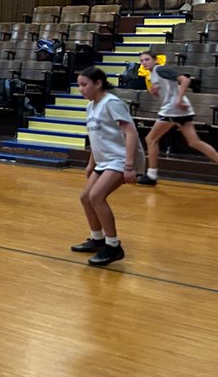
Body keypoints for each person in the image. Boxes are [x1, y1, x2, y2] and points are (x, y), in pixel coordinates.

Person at [71, 65, 143, 267]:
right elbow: (96, 138)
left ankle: (113, 247)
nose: (81, 89)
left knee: (96, 196)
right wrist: (90, 163)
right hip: (103, 160)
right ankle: (97, 239)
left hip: (120, 159)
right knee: (86, 198)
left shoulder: (112, 103)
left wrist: (129, 165)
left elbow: (131, 133)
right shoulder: (90, 106)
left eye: (84, 84)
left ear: (98, 83)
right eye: (79, 85)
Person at [135, 48, 218, 185]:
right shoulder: (153, 74)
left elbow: (185, 80)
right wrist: (155, 91)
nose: (144, 62)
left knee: (151, 139)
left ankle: (151, 175)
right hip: (181, 109)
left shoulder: (161, 69)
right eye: (142, 61)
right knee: (194, 142)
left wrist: (179, 98)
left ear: (155, 60)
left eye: (147, 59)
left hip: (173, 109)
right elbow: (167, 89)